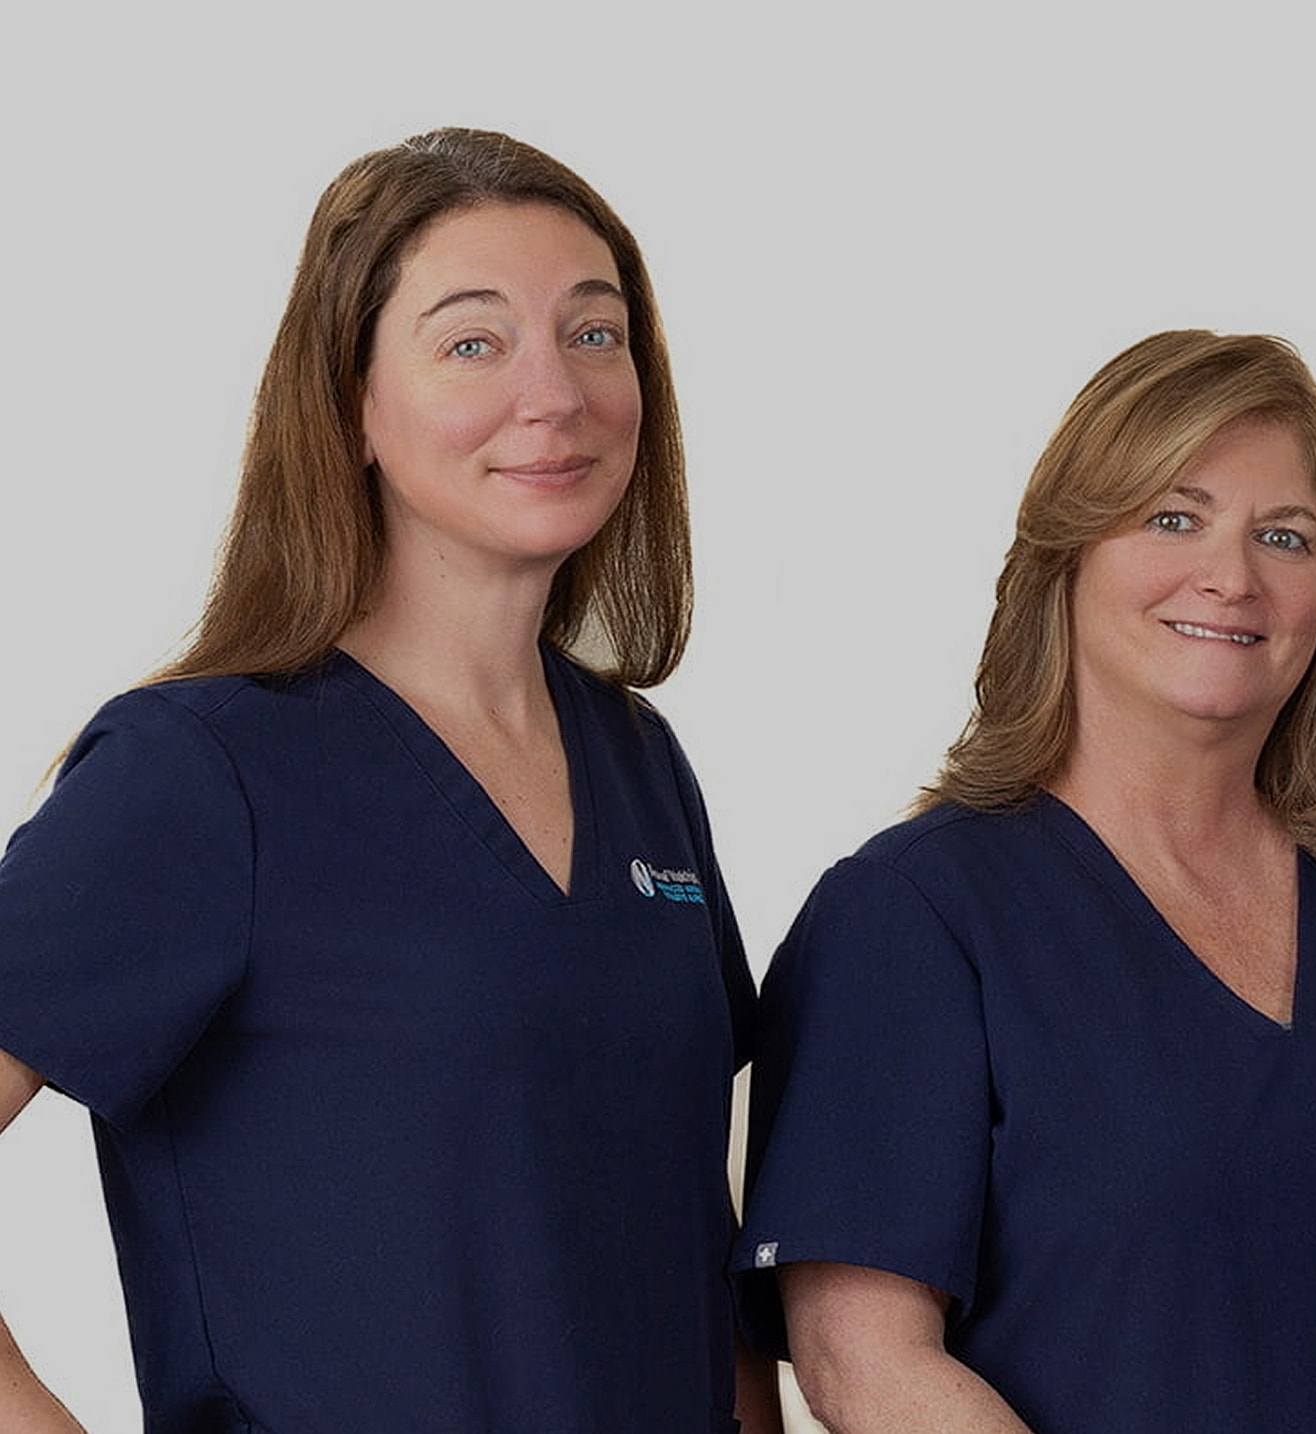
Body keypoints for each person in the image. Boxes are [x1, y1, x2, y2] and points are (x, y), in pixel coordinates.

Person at [0, 128, 778, 1432]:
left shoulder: (641, 764)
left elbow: (690, 1235)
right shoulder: (201, 773)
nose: (558, 392)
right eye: (475, 341)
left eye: (594, 333)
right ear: (352, 403)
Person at [730, 329, 1316, 1433]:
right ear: (1066, 554)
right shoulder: (912, 918)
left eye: (1284, 536)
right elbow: (862, 1358)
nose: (1230, 577)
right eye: (1171, 518)